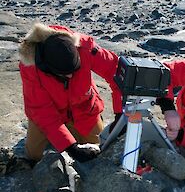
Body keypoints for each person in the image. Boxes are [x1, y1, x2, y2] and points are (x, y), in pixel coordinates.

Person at [19, 23, 123, 163]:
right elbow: (41, 111)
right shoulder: (31, 67)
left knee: (102, 150)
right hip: (49, 113)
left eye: (74, 70)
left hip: (84, 109)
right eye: (63, 74)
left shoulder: (84, 48)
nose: (70, 76)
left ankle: (66, 135)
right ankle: (59, 137)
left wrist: (120, 113)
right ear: (47, 67)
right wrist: (71, 147)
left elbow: (117, 72)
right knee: (33, 157)